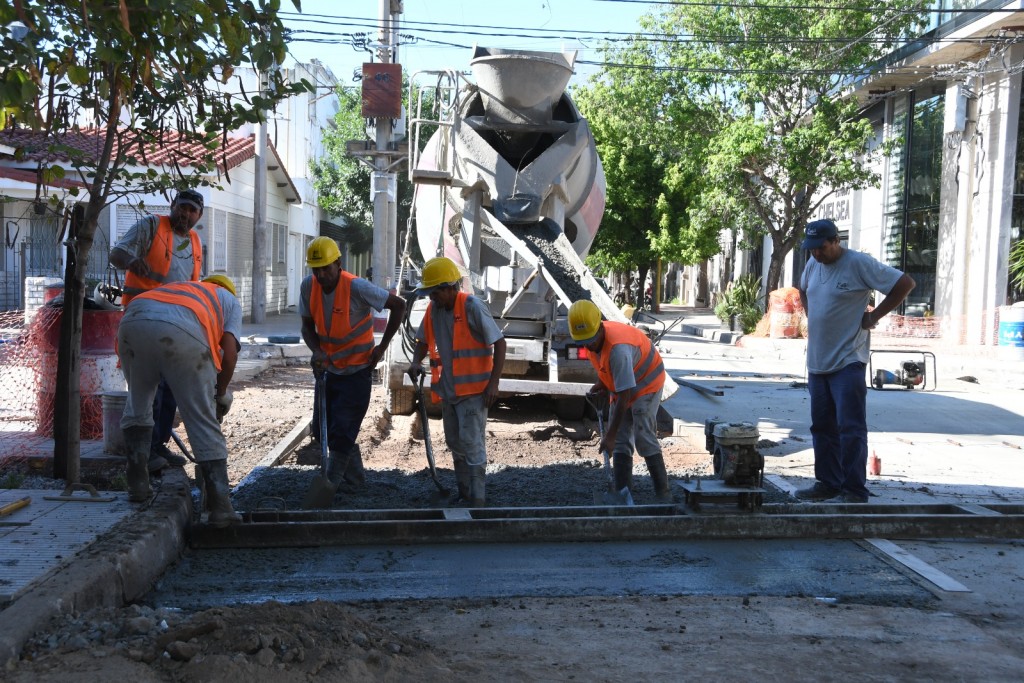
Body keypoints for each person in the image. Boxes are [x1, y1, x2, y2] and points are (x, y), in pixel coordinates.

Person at [796, 218, 915, 504]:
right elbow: (802, 289)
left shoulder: (859, 263)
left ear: (836, 241)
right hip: (817, 362)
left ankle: (853, 491)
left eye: (822, 248)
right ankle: (828, 483)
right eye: (812, 249)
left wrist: (874, 316)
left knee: (850, 428)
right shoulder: (814, 263)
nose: (816, 254)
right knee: (822, 427)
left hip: (848, 360)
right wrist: (814, 316)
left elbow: (905, 283)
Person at [116, 275, 242, 527]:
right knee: (201, 417)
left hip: (132, 323)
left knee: (138, 403)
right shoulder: (229, 301)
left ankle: (138, 483)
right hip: (178, 331)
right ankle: (221, 508)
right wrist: (220, 393)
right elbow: (228, 355)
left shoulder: (186, 290)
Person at [109, 189, 205, 474]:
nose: (185, 214)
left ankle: (158, 444)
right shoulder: (151, 226)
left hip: (177, 323)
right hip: (144, 317)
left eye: (192, 211)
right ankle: (143, 453)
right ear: (172, 206)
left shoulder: (196, 243)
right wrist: (131, 261)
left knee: (171, 386)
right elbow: (117, 253)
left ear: (199, 216)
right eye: (182, 208)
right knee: (148, 386)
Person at [300, 237, 406, 490]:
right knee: (322, 428)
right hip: (328, 370)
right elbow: (306, 326)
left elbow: (398, 305)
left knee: (343, 430)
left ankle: (331, 484)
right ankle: (356, 479)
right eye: (316, 269)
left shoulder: (357, 287)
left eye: (326, 267)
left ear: (338, 263)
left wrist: (382, 347)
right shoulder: (308, 286)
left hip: (357, 370)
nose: (321, 274)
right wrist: (317, 351)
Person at [406, 257, 506, 507]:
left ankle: (478, 500)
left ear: (450, 288)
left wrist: (494, 384)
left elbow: (499, 342)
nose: (432, 298)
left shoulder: (472, 306)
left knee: (472, 443)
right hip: (449, 391)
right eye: (429, 293)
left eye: (435, 292)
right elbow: (422, 340)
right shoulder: (434, 310)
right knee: (454, 442)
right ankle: (464, 494)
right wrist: (417, 362)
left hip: (474, 392)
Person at [568, 299, 672, 502]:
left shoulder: (618, 349)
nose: (587, 345)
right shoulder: (590, 338)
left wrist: (610, 435)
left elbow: (625, 395)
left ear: (599, 327)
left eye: (589, 340)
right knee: (622, 441)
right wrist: (602, 383)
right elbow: (604, 364)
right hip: (624, 382)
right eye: (582, 342)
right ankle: (624, 494)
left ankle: (664, 494)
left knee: (643, 434)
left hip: (647, 381)